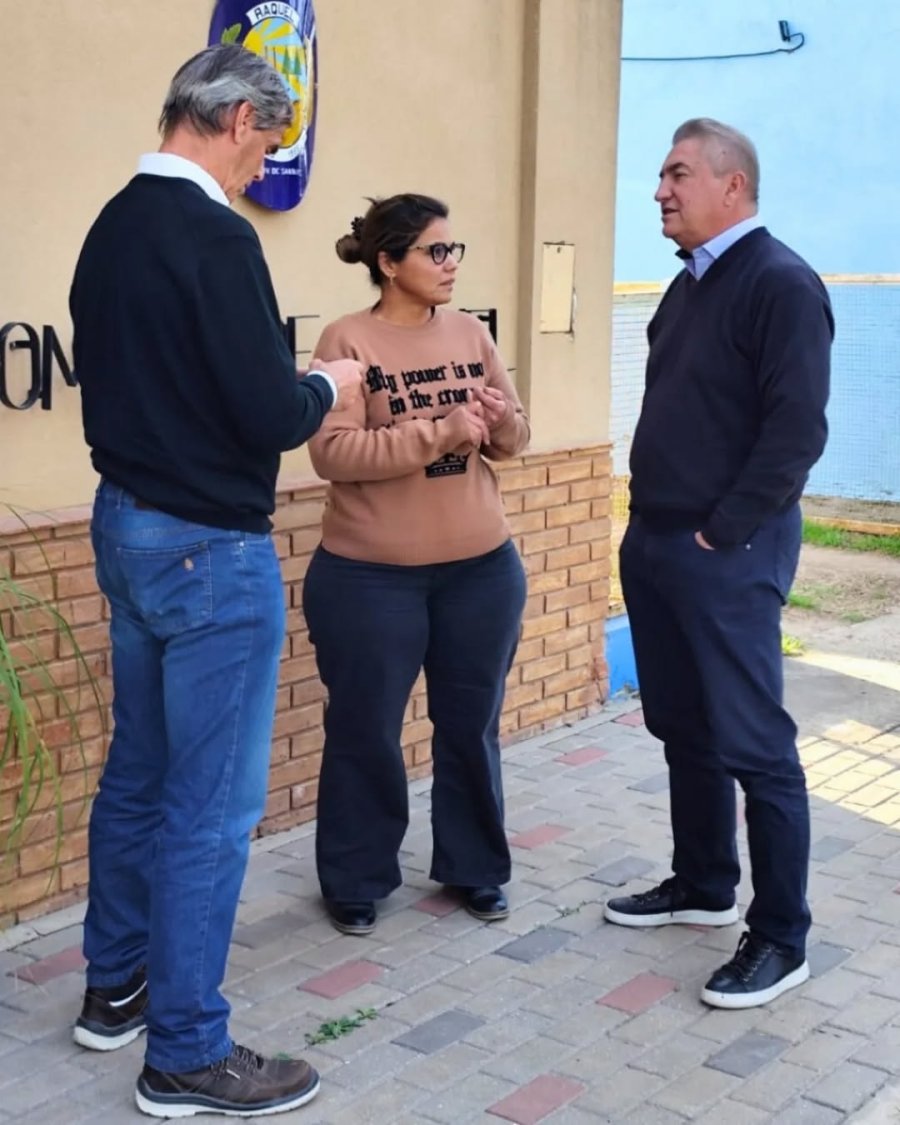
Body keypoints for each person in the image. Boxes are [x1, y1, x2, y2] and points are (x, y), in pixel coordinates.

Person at [68, 45, 362, 1118]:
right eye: (264, 147)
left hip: (128, 529)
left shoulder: (110, 228)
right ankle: (186, 1053)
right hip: (207, 550)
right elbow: (265, 414)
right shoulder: (213, 235)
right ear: (233, 116)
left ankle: (118, 990)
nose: (258, 171)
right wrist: (331, 380)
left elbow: (145, 382)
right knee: (209, 807)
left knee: (139, 774)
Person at [604, 119, 833, 1009]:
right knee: (683, 726)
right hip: (657, 543)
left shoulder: (779, 284)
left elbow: (795, 432)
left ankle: (782, 934)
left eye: (678, 174)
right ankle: (703, 883)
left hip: (723, 551)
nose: (660, 190)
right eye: (662, 175)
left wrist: (721, 531)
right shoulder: (688, 286)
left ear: (733, 185)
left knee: (756, 745)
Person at [302, 193, 530, 936]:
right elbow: (332, 452)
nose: (450, 264)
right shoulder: (347, 340)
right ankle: (357, 877)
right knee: (366, 728)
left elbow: (515, 437)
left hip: (480, 569)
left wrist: (498, 422)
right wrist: (438, 432)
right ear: (387, 262)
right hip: (369, 575)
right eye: (435, 251)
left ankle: (475, 868)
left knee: (470, 724)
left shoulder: (471, 333)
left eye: (454, 250)